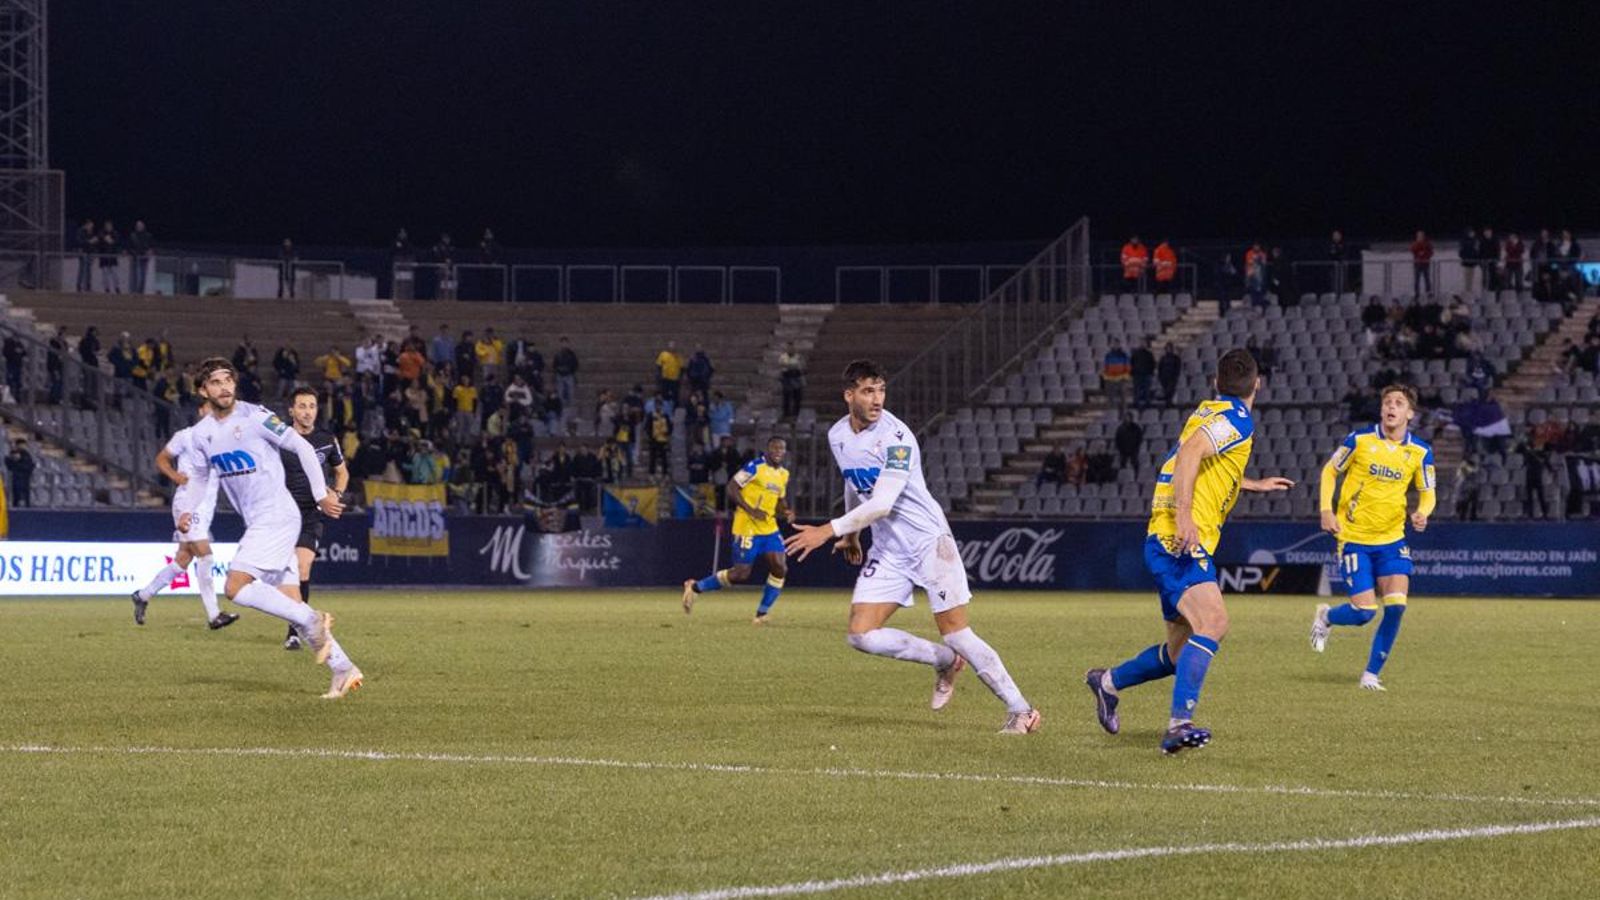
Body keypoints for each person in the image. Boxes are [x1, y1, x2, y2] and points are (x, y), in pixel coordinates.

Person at [784, 359, 1042, 734]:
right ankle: (943, 660)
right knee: (861, 634)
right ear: (849, 395)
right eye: (868, 391)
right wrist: (852, 534)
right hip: (889, 549)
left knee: (956, 631)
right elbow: (854, 483)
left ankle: (1022, 710)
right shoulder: (838, 435)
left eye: (881, 390)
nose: (877, 399)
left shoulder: (896, 437)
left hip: (928, 542)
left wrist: (827, 530)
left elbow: (884, 502)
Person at [1084, 350, 1293, 753]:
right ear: (1258, 385)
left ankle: (1107, 682)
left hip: (1164, 539)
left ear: (1216, 382)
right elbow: (1190, 454)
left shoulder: (1206, 411)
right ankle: (1180, 724)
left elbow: (1202, 461)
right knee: (1213, 623)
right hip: (1177, 541)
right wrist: (1184, 516)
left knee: (1181, 655)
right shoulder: (1237, 418)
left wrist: (1251, 484)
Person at [186, 357, 362, 698]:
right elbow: (200, 479)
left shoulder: (255, 415)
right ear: (202, 391)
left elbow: (300, 446)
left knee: (235, 587)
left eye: (228, 380)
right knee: (293, 603)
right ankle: (342, 667)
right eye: (215, 382)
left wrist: (319, 494)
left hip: (277, 516)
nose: (224, 387)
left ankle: (313, 622)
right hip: (264, 520)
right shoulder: (204, 435)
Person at [1309, 384, 1436, 691]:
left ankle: (1370, 675)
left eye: (1398, 403)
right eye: (1387, 402)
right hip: (1354, 538)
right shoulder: (1359, 441)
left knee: (1396, 607)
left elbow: (1428, 492)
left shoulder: (1419, 452)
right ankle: (1327, 616)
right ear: (1381, 410)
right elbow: (1329, 471)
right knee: (1365, 612)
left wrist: (1423, 512)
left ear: (1409, 413)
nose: (1391, 407)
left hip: (1393, 540)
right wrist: (1327, 510)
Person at [130, 402, 237, 630]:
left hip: (206, 507)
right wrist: (176, 476)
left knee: (183, 560)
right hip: (188, 502)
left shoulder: (222, 441)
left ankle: (143, 595)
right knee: (205, 556)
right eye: (209, 408)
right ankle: (214, 615)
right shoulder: (186, 436)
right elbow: (161, 459)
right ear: (200, 411)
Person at [681, 436, 794, 624]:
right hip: (746, 526)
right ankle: (695, 587)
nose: (778, 452)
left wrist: (786, 510)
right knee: (741, 573)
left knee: (780, 567)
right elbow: (731, 488)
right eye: (774, 448)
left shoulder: (784, 474)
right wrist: (751, 510)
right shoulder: (754, 467)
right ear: (767, 449)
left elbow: (780, 500)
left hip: (769, 527)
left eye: (781, 449)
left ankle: (761, 614)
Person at [278, 387, 351, 651]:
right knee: (284, 576)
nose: (307, 411)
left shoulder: (326, 439)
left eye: (312, 406)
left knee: (302, 568)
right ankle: (300, 622)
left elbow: (341, 473)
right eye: (302, 406)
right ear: (292, 410)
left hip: (311, 513)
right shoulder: (280, 439)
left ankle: (295, 631)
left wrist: (336, 493)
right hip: (282, 514)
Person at [4, 438, 35, 507]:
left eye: (24, 445)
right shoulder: (13, 453)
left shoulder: (27, 455)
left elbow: (30, 466)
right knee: (17, 495)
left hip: (25, 478)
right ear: (17, 445)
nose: (23, 446)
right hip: (17, 477)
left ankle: (26, 506)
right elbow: (10, 464)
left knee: (26, 496)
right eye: (21, 444)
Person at [779, 344, 805, 419]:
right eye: (789, 348)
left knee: (797, 396)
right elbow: (782, 365)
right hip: (787, 377)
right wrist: (791, 366)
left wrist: (789, 365)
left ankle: (796, 413)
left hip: (796, 376)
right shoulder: (783, 357)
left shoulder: (798, 357)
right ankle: (786, 413)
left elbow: (801, 366)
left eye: (792, 348)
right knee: (786, 396)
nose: (790, 350)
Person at [128, 220, 154, 294]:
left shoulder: (148, 236)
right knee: (135, 277)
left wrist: (150, 251)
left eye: (140, 225)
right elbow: (129, 247)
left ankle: (140, 292)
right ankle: (134, 292)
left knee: (142, 277)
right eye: (138, 225)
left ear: (143, 226)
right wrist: (131, 253)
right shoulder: (132, 235)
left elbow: (151, 247)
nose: (139, 227)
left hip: (144, 259)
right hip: (135, 259)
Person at [655, 341, 684, 406]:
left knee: (675, 395)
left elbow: (682, 368)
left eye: (674, 345)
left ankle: (675, 409)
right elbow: (659, 366)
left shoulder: (678, 356)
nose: (672, 347)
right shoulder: (663, 354)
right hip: (665, 378)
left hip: (675, 379)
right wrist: (659, 376)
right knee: (665, 394)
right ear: (668, 346)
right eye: (671, 345)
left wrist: (680, 377)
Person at [553, 337, 579, 411]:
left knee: (570, 395)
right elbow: (554, 365)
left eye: (565, 343)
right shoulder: (557, 354)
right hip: (560, 376)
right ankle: (561, 410)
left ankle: (570, 412)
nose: (564, 345)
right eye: (562, 343)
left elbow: (576, 364)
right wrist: (559, 369)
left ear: (568, 344)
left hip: (569, 375)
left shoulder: (572, 354)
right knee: (560, 394)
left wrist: (570, 370)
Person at [1130, 339, 1156, 407]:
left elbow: (1152, 364)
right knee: (1137, 390)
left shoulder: (1149, 354)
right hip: (1137, 375)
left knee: (1147, 390)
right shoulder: (1135, 354)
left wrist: (1150, 373)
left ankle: (1147, 403)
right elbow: (1132, 363)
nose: (1142, 344)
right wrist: (1133, 373)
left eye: (1144, 343)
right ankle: (1136, 403)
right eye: (1141, 343)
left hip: (1146, 375)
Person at [98, 221, 122, 293]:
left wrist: (112, 241)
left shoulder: (115, 233)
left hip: (112, 257)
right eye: (107, 226)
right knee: (105, 275)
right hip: (104, 258)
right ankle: (107, 289)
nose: (108, 227)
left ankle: (117, 288)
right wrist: (105, 238)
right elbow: (100, 241)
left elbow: (117, 242)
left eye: (110, 226)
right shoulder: (101, 233)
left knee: (115, 274)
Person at [1410, 230, 1434, 298]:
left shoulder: (1427, 243)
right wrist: (1418, 245)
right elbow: (1412, 250)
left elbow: (1431, 252)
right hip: (1417, 264)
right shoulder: (1415, 243)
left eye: (1422, 236)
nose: (1421, 237)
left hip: (1425, 263)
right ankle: (1416, 293)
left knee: (1427, 278)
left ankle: (1428, 292)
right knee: (1416, 279)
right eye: (1419, 236)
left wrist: (1425, 254)